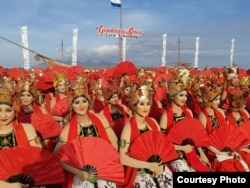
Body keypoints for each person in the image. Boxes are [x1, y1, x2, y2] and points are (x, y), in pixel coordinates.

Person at [54, 79, 119, 188]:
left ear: (89, 102)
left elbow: (114, 142)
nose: (81, 105)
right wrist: (78, 172)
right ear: (71, 105)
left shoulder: (100, 119)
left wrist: (109, 161)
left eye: (84, 101)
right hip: (82, 177)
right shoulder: (68, 129)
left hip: (104, 171)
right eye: (77, 102)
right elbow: (57, 157)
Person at [119, 85, 173, 188]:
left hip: (157, 166)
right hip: (140, 171)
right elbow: (123, 159)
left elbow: (162, 145)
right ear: (135, 105)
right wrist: (149, 166)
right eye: (142, 104)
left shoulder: (153, 122)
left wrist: (159, 165)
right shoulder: (128, 128)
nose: (145, 107)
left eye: (148, 104)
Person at [159, 71, 211, 172]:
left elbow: (195, 138)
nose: (185, 98)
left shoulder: (188, 112)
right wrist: (182, 148)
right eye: (181, 95)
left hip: (191, 152)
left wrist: (201, 153)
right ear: (173, 95)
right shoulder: (166, 116)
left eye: (186, 96)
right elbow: (162, 143)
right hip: (174, 155)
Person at [198, 79, 249, 172]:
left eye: (218, 99)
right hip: (212, 151)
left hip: (227, 148)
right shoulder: (202, 115)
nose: (219, 102)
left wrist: (231, 151)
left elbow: (228, 133)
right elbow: (201, 139)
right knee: (228, 167)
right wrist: (220, 153)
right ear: (209, 100)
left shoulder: (220, 111)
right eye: (216, 99)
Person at [16, 77, 62, 152]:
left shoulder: (41, 110)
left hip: (43, 146)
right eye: (23, 95)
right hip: (22, 147)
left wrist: (39, 147)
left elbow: (51, 129)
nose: (25, 98)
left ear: (33, 98)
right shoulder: (16, 111)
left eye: (28, 95)